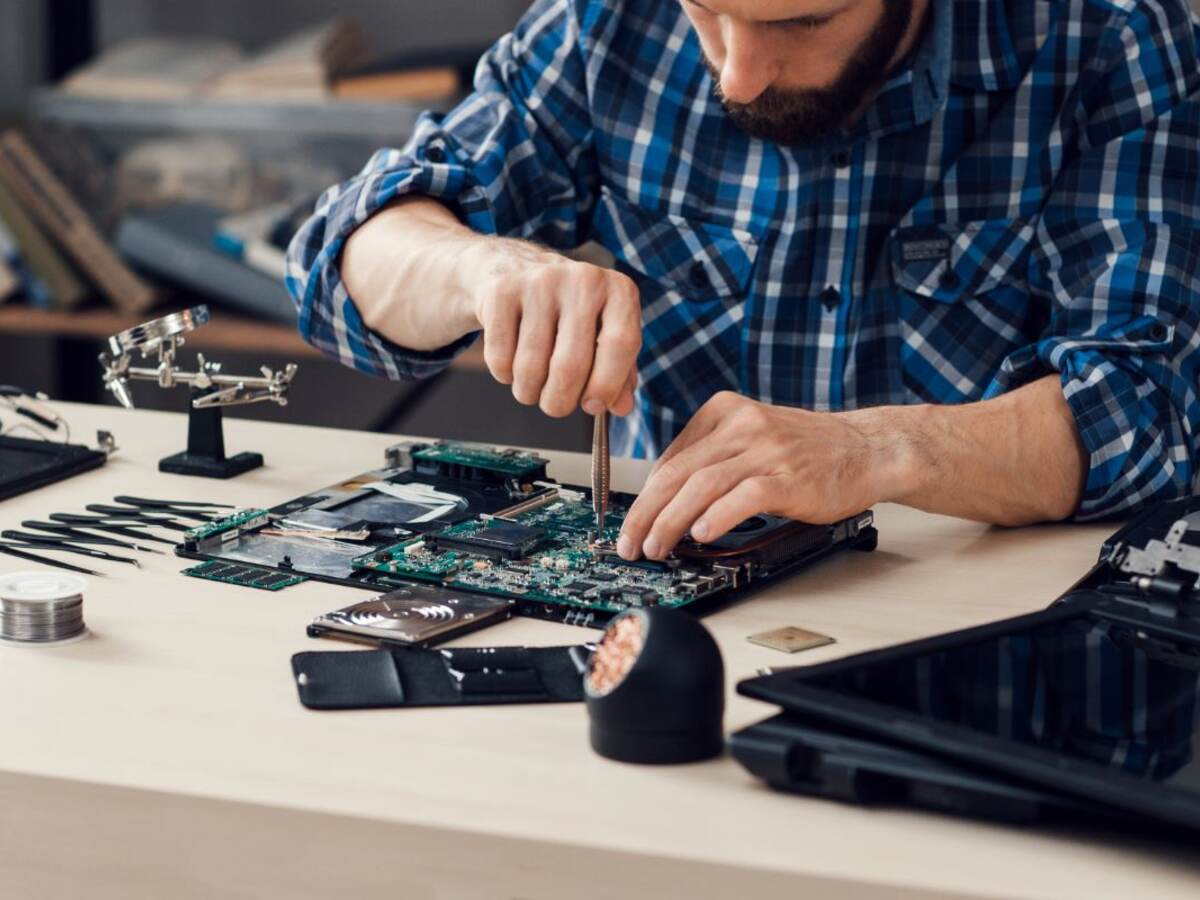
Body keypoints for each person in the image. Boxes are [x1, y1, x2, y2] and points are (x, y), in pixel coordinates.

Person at [286, 0, 1200, 562]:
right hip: (678, 614)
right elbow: (336, 261)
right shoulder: (608, 21)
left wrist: (878, 450)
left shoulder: (1108, 34)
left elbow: (1152, 409)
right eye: (706, 10)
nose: (740, 71)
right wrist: (479, 265)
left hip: (981, 635)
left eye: (800, 21)